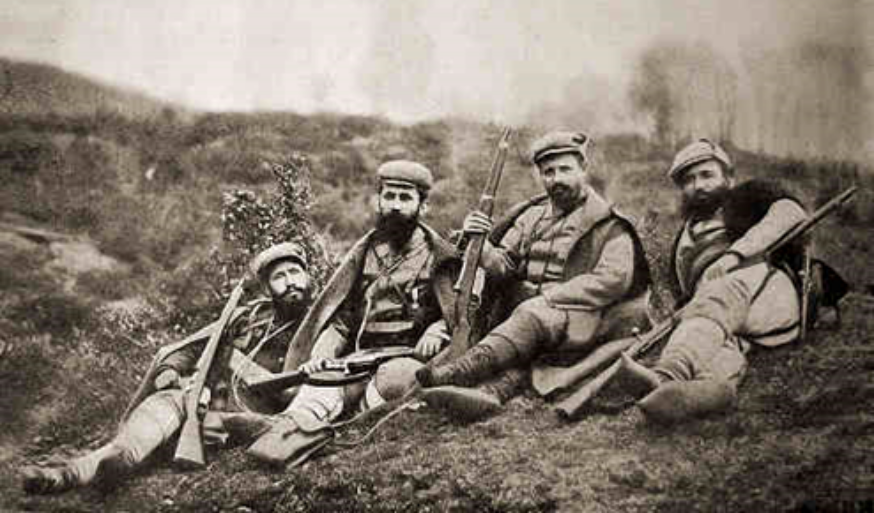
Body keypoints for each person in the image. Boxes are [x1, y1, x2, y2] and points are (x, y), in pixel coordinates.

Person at [22, 241, 314, 494]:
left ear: (307, 277)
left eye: (295, 272)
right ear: (268, 287)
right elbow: (192, 348)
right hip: (202, 399)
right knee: (148, 424)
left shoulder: (322, 324)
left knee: (211, 426)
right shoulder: (246, 317)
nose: (290, 282)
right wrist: (168, 372)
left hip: (251, 415)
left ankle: (97, 468)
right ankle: (73, 473)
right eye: (279, 277)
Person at [247, 160, 459, 466]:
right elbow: (342, 319)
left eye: (405, 198)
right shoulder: (366, 253)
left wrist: (439, 327)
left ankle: (347, 433)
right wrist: (322, 353)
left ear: (423, 206)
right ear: (378, 201)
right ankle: (281, 440)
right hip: (360, 357)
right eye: (389, 196)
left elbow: (460, 310)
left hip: (408, 355)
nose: (395, 206)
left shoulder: (441, 256)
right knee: (318, 387)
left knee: (394, 383)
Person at [415, 131, 652, 407]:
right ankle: (490, 393)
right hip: (526, 322)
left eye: (565, 169)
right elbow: (504, 267)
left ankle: (461, 371)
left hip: (584, 318)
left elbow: (613, 280)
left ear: (583, 169)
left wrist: (548, 298)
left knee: (531, 315)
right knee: (525, 324)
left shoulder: (609, 224)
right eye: (549, 172)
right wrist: (481, 246)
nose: (557, 179)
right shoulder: (530, 217)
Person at [617, 138, 808, 423]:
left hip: (770, 297)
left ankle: (666, 374)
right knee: (716, 345)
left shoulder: (748, 197)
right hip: (726, 321)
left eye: (707, 175)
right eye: (689, 180)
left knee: (721, 292)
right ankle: (705, 393)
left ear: (728, 178)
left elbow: (792, 212)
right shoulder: (685, 237)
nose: (699, 185)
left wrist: (734, 255)